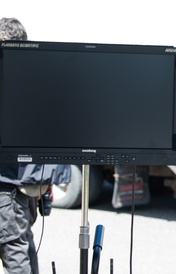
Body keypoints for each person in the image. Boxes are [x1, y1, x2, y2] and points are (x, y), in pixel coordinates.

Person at [0, 17, 70, 274]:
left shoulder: (12, 80)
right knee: (23, 244)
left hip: (9, 184)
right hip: (27, 186)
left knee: (14, 249)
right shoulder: (40, 77)